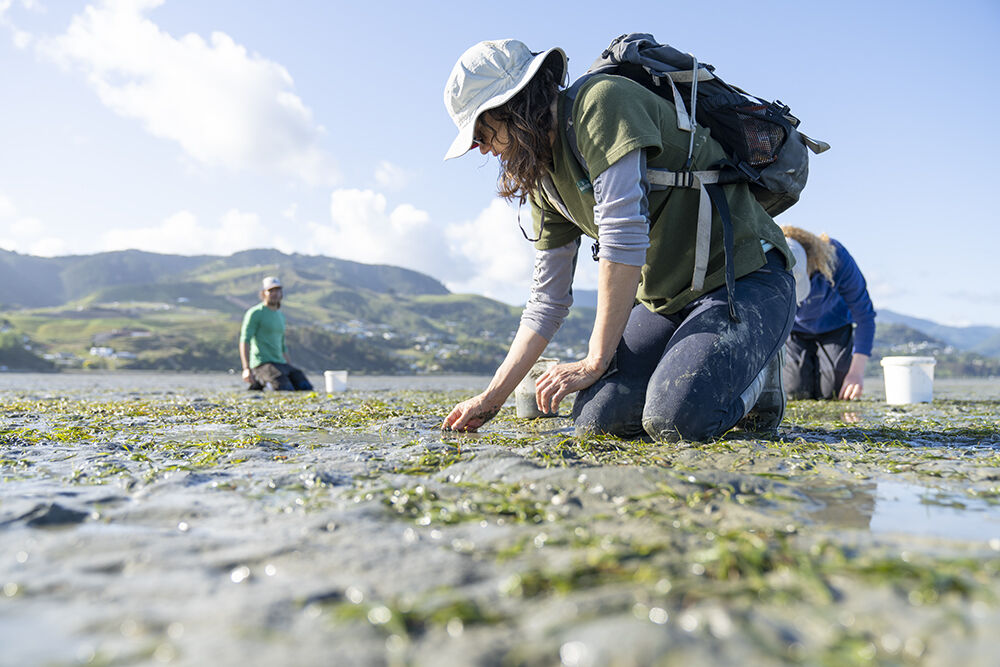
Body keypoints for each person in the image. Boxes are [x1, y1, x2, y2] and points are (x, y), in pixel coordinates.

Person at [440, 39, 798, 441]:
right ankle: (703, 367)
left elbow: (622, 235)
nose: (483, 150)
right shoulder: (542, 178)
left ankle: (760, 376)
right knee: (597, 423)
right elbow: (547, 301)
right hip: (667, 300)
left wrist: (596, 360)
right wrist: (491, 397)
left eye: (481, 133)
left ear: (513, 107)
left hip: (746, 277)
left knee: (678, 422)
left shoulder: (602, 104)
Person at [781, 226, 876, 401]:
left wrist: (856, 373)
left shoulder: (835, 256)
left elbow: (865, 316)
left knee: (832, 391)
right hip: (793, 331)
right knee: (796, 390)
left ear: (811, 262)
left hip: (834, 326)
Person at [239, 276, 313, 391]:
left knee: (304, 386)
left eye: (278, 290)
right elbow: (245, 340)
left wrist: (289, 366)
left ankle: (263, 383)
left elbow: (283, 346)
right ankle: (259, 381)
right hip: (262, 364)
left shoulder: (280, 316)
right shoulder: (255, 313)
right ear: (264, 293)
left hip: (280, 363)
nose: (275, 294)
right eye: (271, 291)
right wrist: (246, 369)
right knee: (284, 388)